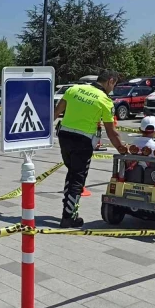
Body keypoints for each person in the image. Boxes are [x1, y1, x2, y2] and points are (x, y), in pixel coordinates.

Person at [53, 69, 125, 228]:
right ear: (110, 81)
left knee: (71, 172)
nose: (113, 88)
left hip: (64, 136)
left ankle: (69, 209)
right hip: (83, 140)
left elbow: (56, 113)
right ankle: (68, 217)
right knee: (78, 178)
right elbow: (111, 132)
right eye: (114, 85)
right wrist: (121, 149)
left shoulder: (74, 89)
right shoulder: (105, 100)